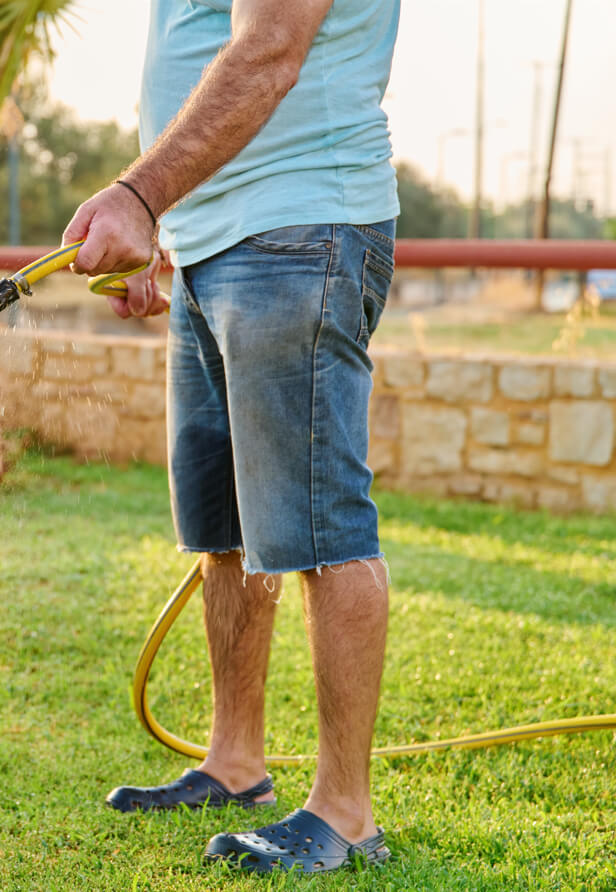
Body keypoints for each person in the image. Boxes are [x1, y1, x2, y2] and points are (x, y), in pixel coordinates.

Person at [61, 0, 400, 875]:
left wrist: (139, 195)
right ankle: (235, 762)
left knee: (324, 531)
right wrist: (164, 231)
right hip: (212, 240)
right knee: (224, 533)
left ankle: (345, 813)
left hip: (300, 229)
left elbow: (270, 50)